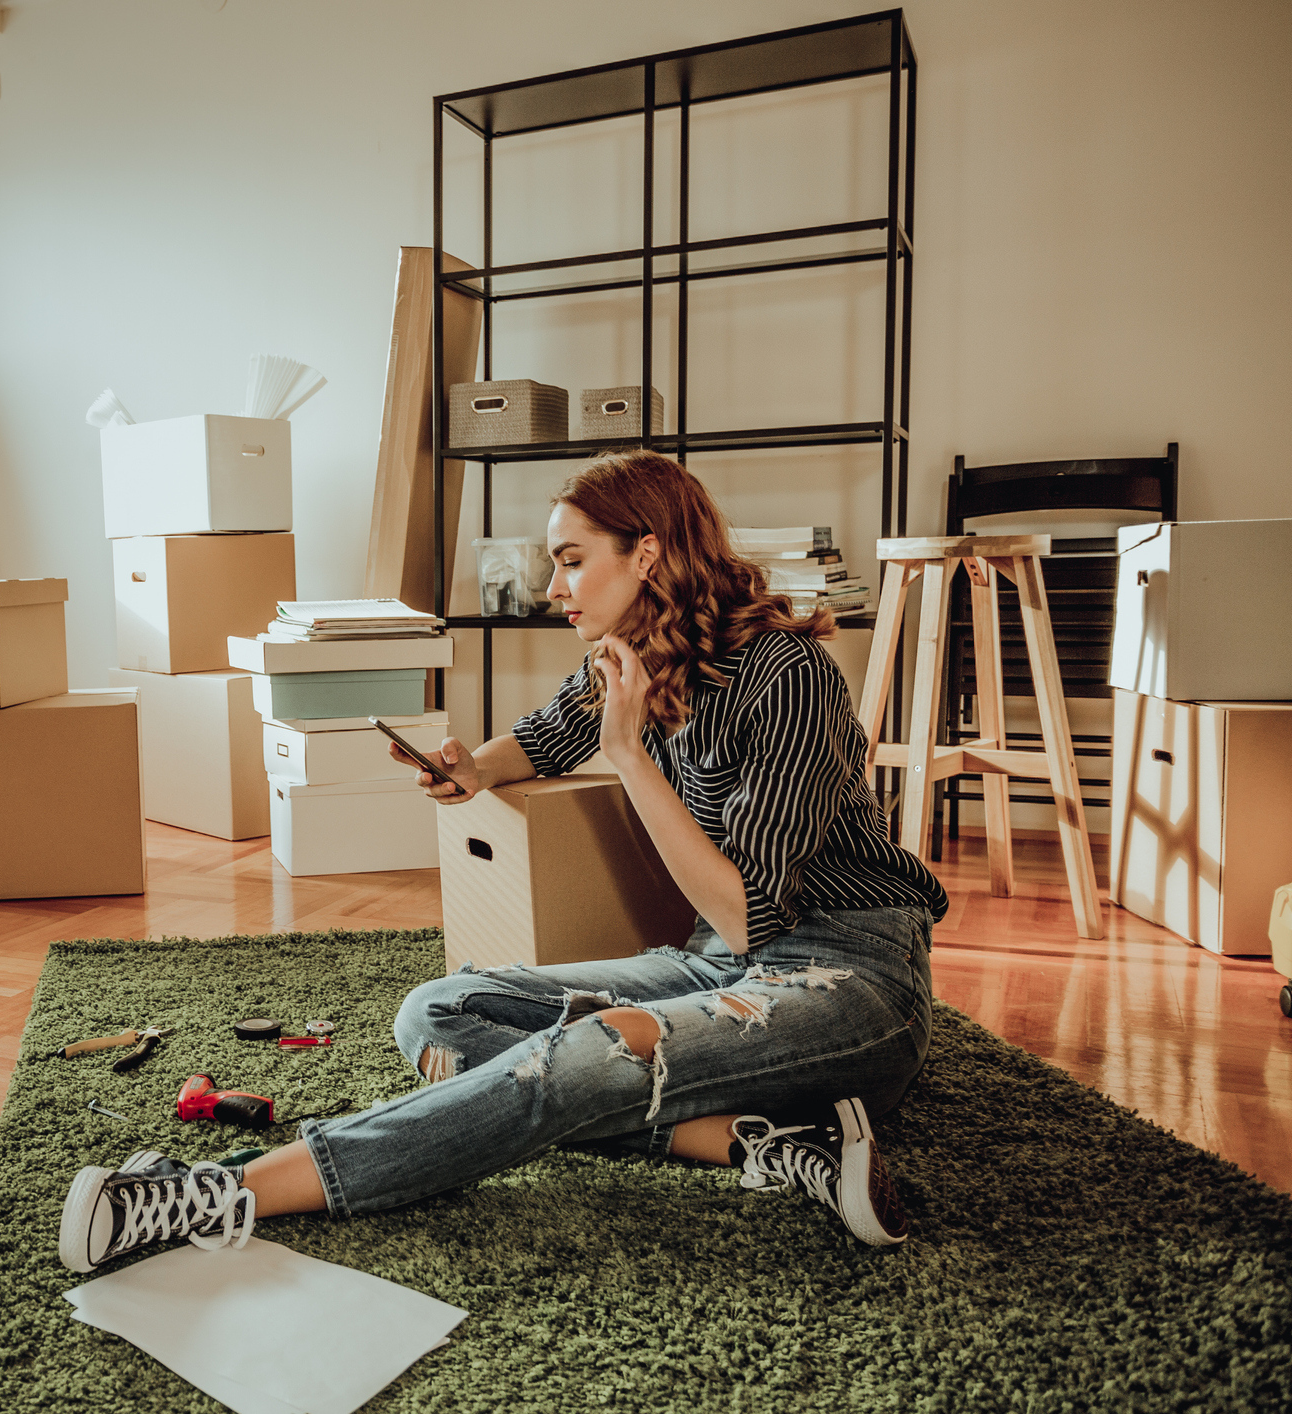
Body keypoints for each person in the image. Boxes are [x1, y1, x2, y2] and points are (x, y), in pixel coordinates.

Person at [58, 449, 948, 1273]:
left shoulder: (785, 674)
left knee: (584, 1057)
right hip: (711, 969)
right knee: (437, 1016)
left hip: (847, 977)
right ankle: (755, 1141)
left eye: (570, 558)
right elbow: (549, 736)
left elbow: (746, 917)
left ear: (646, 555)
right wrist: (472, 766)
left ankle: (219, 1191)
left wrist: (631, 756)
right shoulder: (626, 658)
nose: (551, 584)